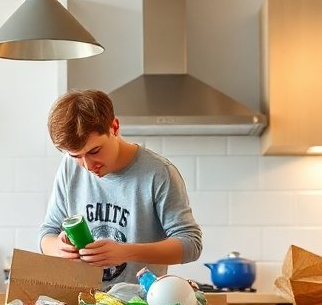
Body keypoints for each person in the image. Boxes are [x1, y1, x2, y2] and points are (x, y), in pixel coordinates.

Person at [38, 89, 203, 287]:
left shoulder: (159, 173)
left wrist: (126, 252)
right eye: (76, 156)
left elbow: (191, 244)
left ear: (114, 127)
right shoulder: (69, 167)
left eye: (94, 151)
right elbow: (47, 234)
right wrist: (59, 248)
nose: (88, 166)